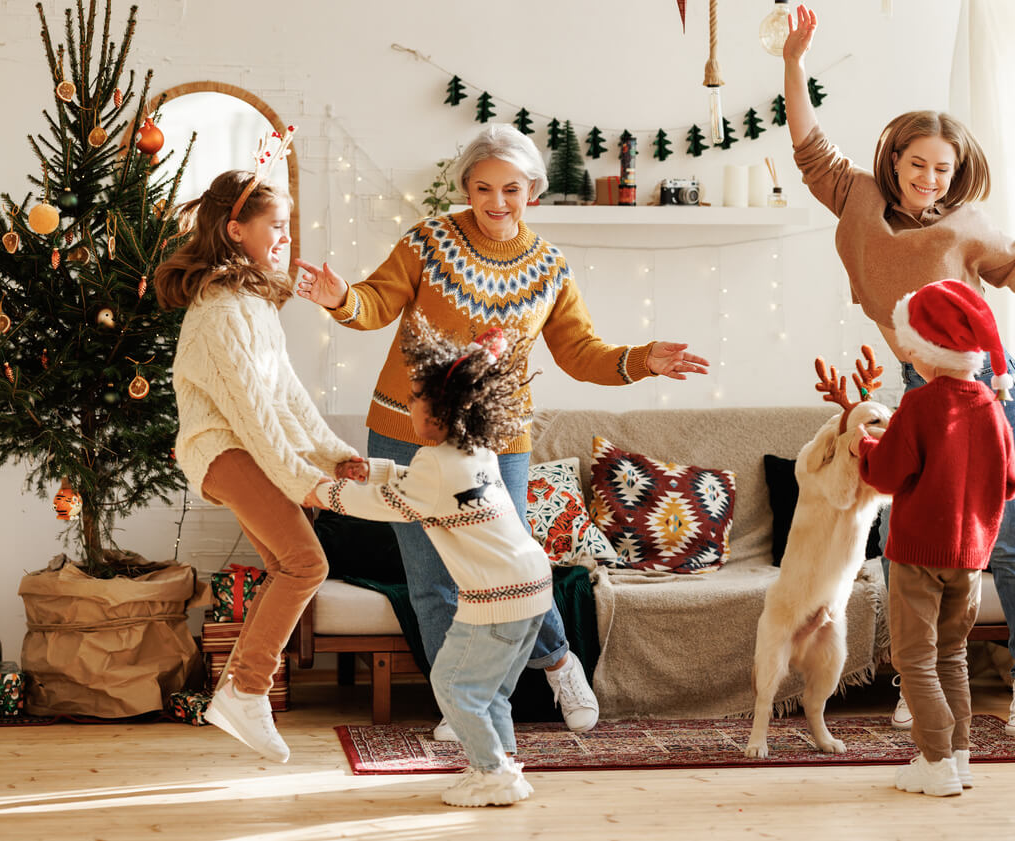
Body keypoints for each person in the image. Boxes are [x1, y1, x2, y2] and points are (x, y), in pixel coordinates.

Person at [293, 123, 709, 740]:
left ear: (532, 191)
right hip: (406, 428)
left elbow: (579, 352)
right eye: (482, 188)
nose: (495, 201)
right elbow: (375, 303)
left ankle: (560, 663)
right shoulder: (428, 242)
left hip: (498, 440)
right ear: (465, 187)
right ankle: (462, 706)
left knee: (510, 569)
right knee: (431, 579)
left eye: (510, 189)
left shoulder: (547, 267)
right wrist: (340, 298)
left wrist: (643, 358)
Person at [783, 4, 1015, 736]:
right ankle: (924, 680)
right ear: (894, 161)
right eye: (918, 164)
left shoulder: (967, 227)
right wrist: (794, 61)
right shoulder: (858, 200)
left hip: (989, 392)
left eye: (944, 168)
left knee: (1004, 541)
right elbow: (809, 147)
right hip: (917, 391)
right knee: (915, 539)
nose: (930, 179)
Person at [154, 168, 367, 763]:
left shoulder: (251, 300)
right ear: (235, 229)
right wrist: (306, 482)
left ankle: (240, 691)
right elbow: (251, 415)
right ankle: (246, 690)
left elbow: (287, 395)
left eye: (287, 226)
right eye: (275, 226)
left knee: (286, 564)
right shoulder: (221, 311)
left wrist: (335, 456)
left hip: (239, 448)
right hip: (223, 450)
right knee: (306, 563)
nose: (284, 237)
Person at [310, 315, 548, 807]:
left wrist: (323, 492)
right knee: (490, 692)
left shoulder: (436, 464)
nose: (409, 408)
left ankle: (490, 773)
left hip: (496, 598)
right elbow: (427, 486)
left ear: (436, 416)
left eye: (414, 401)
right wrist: (374, 469)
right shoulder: (474, 449)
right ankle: (502, 765)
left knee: (454, 685)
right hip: (533, 588)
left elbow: (388, 506)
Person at [851, 279, 1015, 797]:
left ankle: (936, 760)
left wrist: (863, 444)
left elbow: (884, 475)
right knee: (952, 656)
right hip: (969, 560)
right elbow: (1010, 484)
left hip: (918, 556)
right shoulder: (992, 406)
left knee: (915, 659)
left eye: (910, 345)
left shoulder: (921, 406)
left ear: (926, 353)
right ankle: (959, 757)